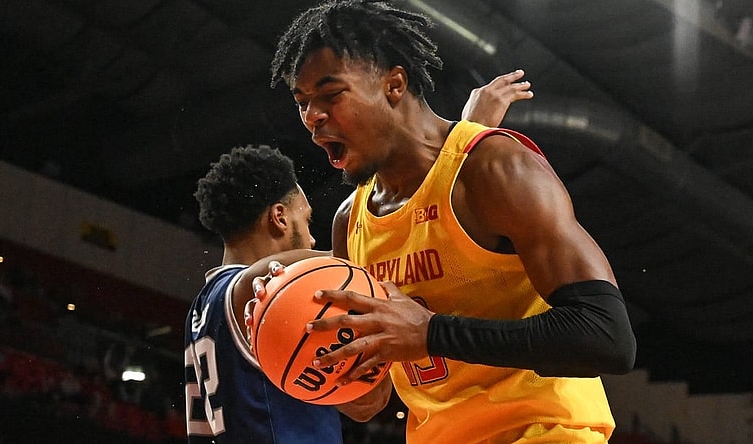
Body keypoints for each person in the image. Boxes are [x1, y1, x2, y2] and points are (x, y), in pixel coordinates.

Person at [269, 1, 637, 443]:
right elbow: (370, 400)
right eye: (303, 102)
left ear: (395, 84)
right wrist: (293, 343)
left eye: (331, 95)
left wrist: (432, 333)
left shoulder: (493, 168)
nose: (313, 118)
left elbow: (607, 338)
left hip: (543, 431)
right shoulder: (349, 222)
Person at [184, 73, 533, 441]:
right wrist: (466, 137)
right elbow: (384, 248)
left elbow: (368, 404)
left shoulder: (202, 308)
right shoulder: (265, 282)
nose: (317, 235)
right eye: (307, 218)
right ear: (279, 217)